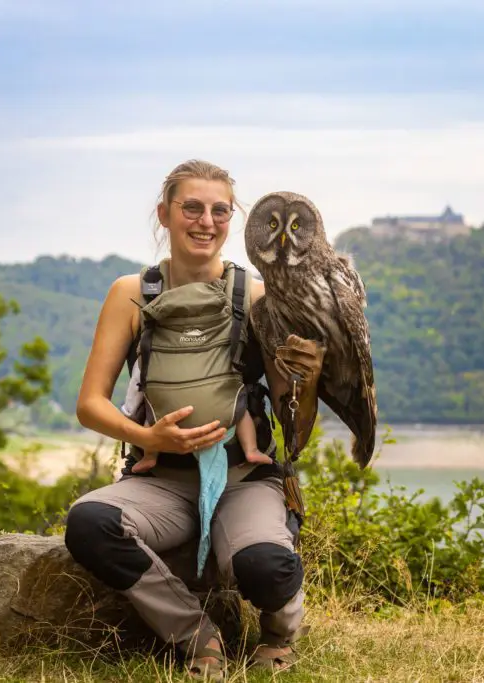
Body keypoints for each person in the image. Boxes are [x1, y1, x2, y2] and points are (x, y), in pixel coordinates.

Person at [64, 159, 325, 680]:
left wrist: (309, 379)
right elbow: (90, 403)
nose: (206, 222)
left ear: (233, 219)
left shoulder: (258, 297)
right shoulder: (131, 293)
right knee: (89, 524)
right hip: (161, 481)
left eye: (219, 211)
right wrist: (148, 437)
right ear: (164, 214)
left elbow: (294, 427)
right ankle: (195, 633)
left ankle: (280, 633)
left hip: (244, 479)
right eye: (192, 208)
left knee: (263, 565)